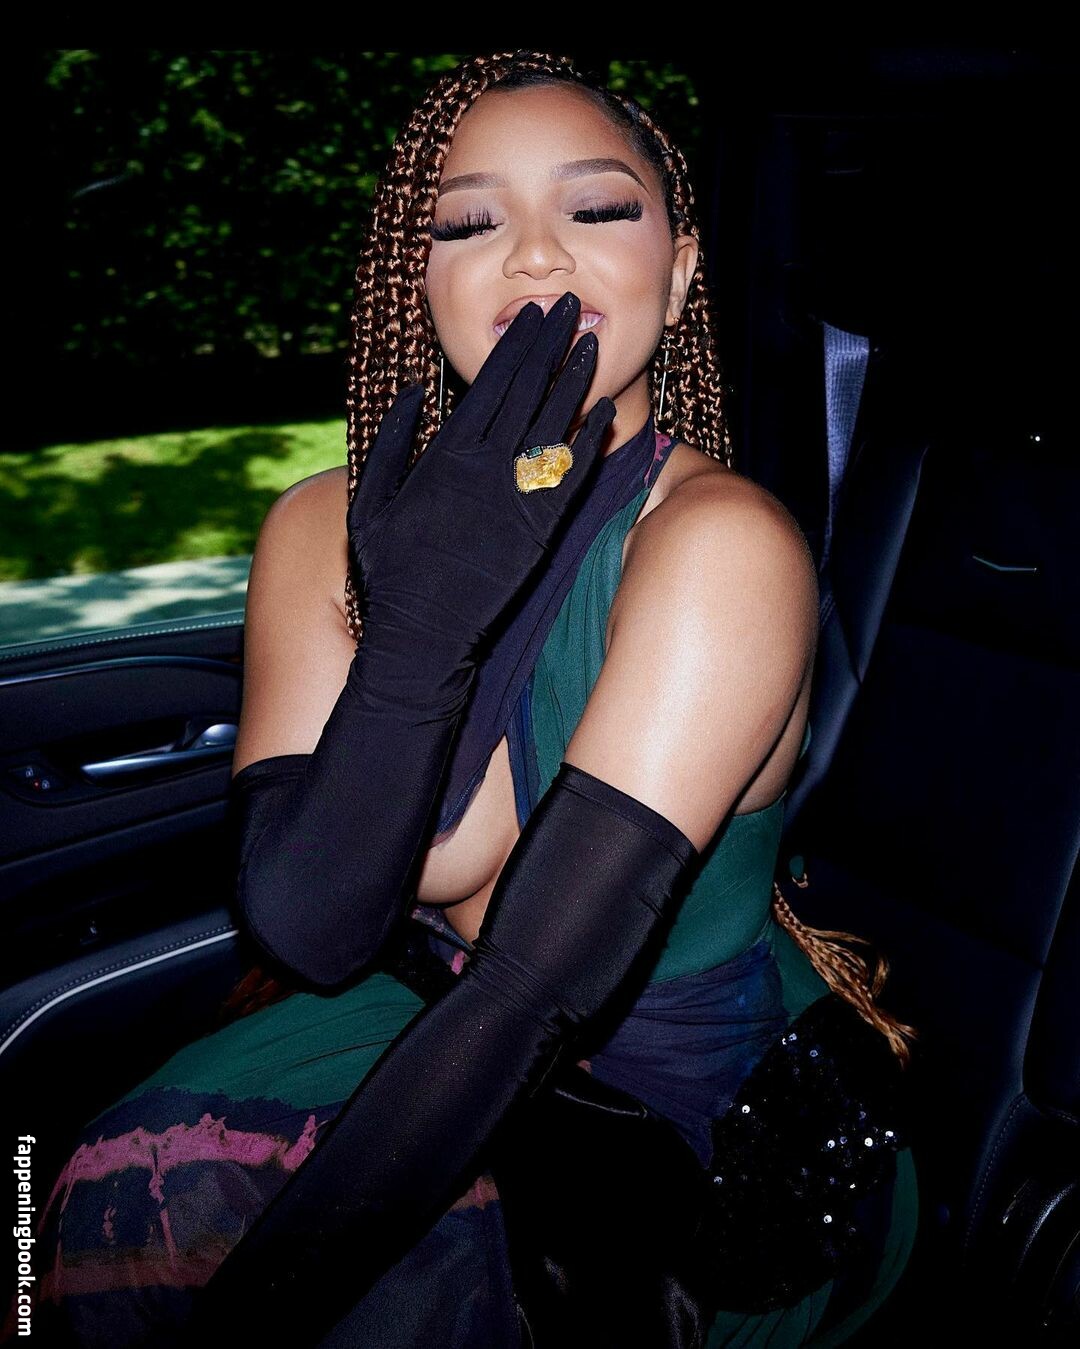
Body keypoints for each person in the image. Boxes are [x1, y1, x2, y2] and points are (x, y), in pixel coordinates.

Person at [16, 50, 919, 1348]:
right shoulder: (320, 526)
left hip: (672, 1132)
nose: (537, 255)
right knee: (84, 1191)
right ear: (417, 276)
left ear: (680, 272)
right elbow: (314, 928)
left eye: (595, 207)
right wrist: (423, 629)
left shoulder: (721, 548)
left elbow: (532, 994)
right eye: (469, 222)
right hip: (421, 1017)